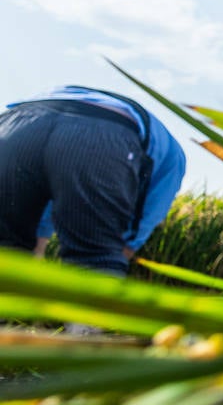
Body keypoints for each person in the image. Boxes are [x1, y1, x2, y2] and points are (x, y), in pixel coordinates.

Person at [0, 85, 187, 275]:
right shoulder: (174, 160)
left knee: (7, 251)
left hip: (16, 122)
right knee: (95, 259)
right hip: (103, 128)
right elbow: (142, 222)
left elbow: (45, 200)